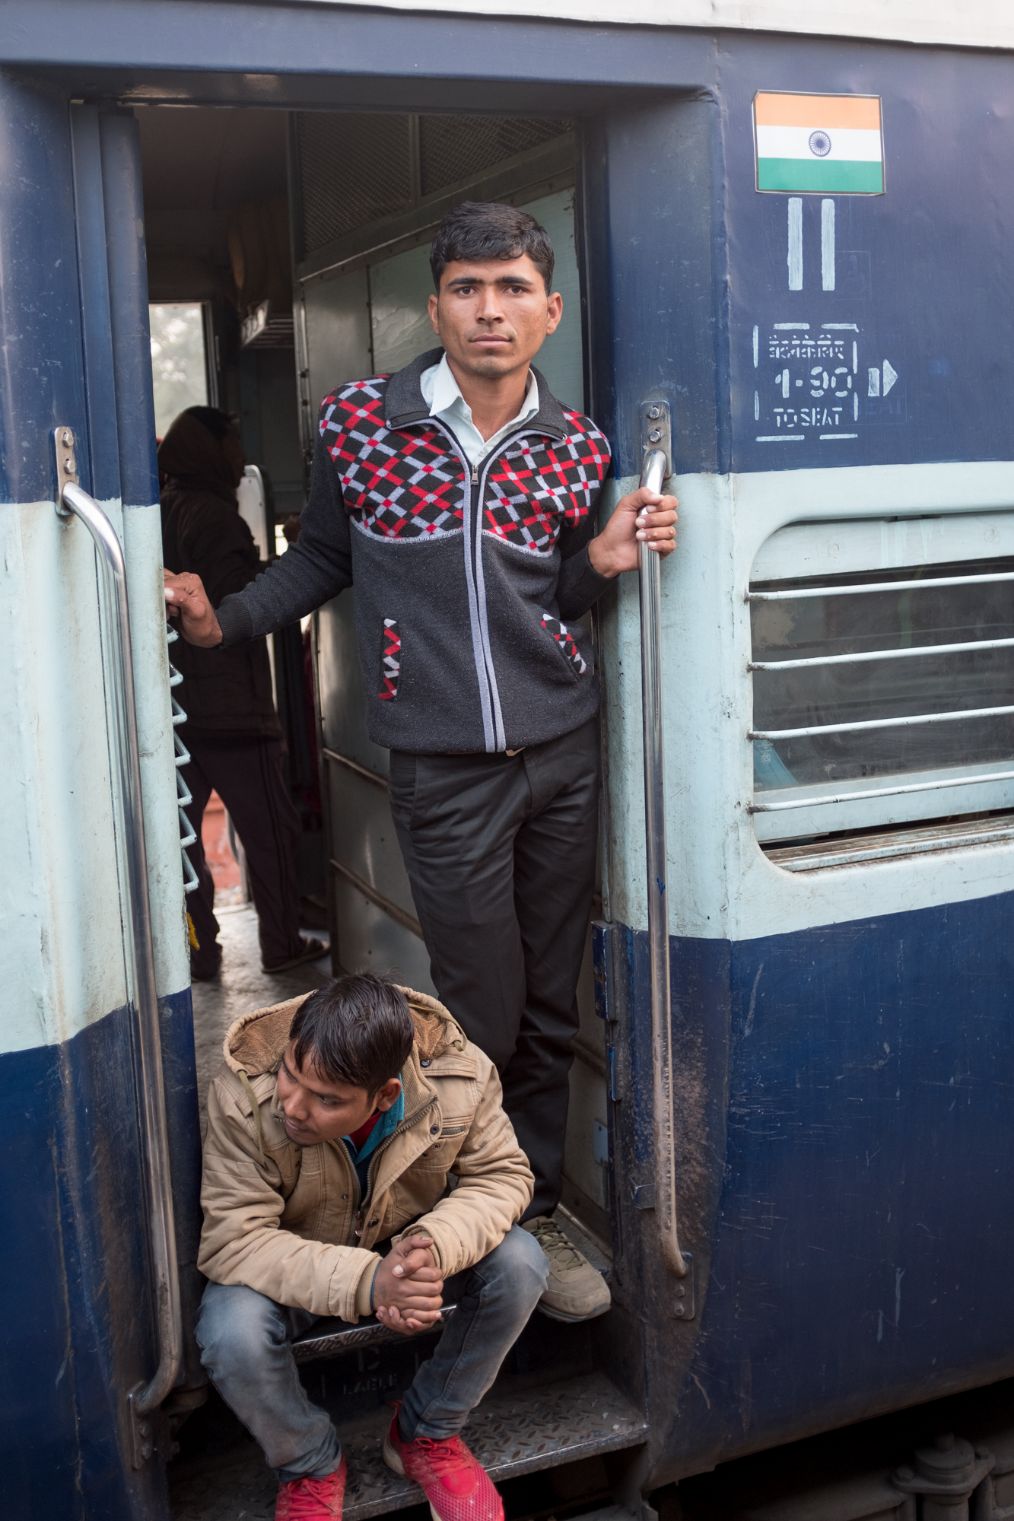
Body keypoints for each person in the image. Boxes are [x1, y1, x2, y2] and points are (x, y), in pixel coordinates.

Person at [165, 202, 678, 1319]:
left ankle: (525, 1206)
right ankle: (454, 1215)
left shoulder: (577, 443)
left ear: (550, 308)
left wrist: (599, 558)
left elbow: (563, 597)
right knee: (482, 1008)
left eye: (511, 289)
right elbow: (323, 565)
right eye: (466, 288)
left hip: (563, 753)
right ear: (435, 302)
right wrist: (224, 625)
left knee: (551, 1005)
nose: (488, 309)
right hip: (445, 771)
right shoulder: (362, 423)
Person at [197, 972, 546, 1521]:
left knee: (522, 1262)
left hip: (408, 1256)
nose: (293, 1106)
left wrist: (432, 1247)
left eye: (327, 1100)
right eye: (291, 1074)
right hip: (297, 1270)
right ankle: (309, 1465)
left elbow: (502, 1177)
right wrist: (369, 1280)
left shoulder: (461, 1074)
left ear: (385, 1096)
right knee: (228, 1329)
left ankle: (426, 1433)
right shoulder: (245, 1089)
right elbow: (234, 1240)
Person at [159, 406, 326, 977]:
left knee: (183, 840)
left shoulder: (159, 510)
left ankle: (200, 953)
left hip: (179, 708)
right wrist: (295, 556)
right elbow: (238, 600)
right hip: (233, 706)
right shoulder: (217, 518)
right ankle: (281, 945)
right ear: (211, 453)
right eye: (232, 445)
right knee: (271, 831)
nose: (239, 458)